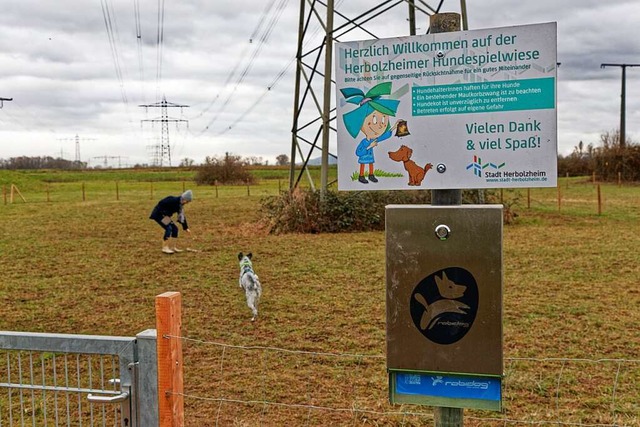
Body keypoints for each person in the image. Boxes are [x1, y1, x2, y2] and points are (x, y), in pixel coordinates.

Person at [149, 189, 193, 254]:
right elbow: (161, 203)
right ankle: (165, 248)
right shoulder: (172, 199)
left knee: (175, 229)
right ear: (184, 199)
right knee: (168, 228)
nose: (187, 203)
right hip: (158, 214)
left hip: (165, 216)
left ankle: (173, 247)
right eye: (188, 201)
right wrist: (164, 213)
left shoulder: (180, 206)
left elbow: (181, 216)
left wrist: (185, 227)